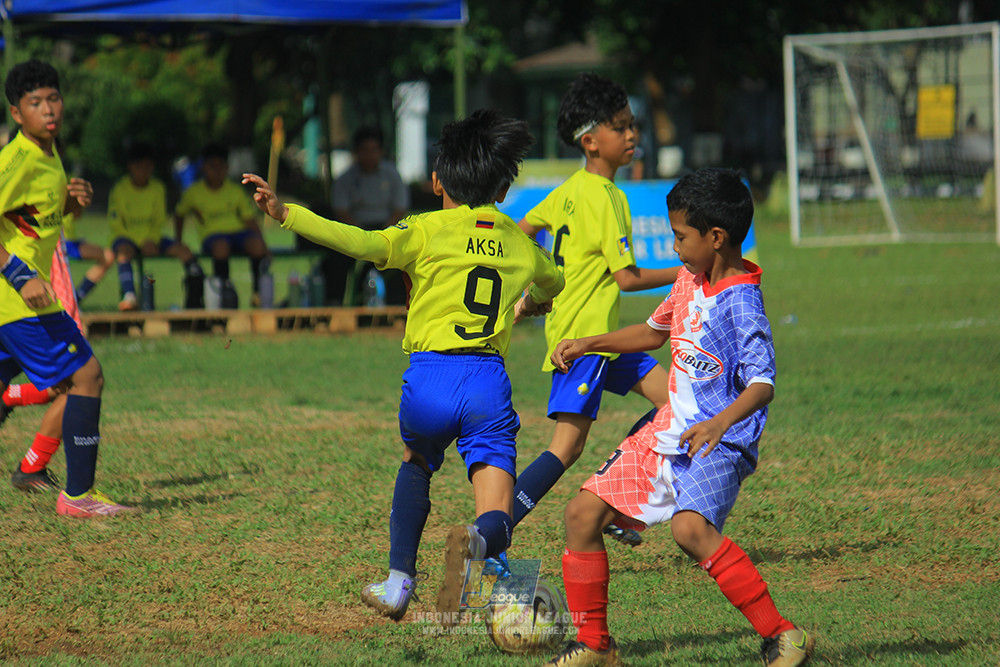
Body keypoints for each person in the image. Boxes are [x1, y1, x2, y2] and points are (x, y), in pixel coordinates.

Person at [242, 109, 564, 625]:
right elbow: (554, 281)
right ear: (501, 190)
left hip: (429, 377)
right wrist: (530, 303)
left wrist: (286, 214)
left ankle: (397, 584)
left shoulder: (421, 230)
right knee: (497, 505)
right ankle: (483, 555)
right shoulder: (520, 242)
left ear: (437, 180)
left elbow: (360, 242)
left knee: (416, 462)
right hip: (486, 381)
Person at [543, 168, 814, 667]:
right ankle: (595, 646)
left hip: (718, 442)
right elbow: (651, 333)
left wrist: (720, 423)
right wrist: (589, 343)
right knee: (581, 515)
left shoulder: (743, 304)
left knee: (690, 531)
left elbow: (763, 383)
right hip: (666, 431)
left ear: (716, 238)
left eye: (680, 236)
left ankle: (783, 635)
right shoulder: (691, 278)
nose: (673, 247)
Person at [514, 72, 679, 545]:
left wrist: (534, 288)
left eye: (632, 126)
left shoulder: (568, 189)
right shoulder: (608, 197)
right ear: (591, 141)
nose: (632, 136)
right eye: (621, 128)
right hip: (583, 342)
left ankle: (621, 501)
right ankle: (496, 526)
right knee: (566, 448)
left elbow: (522, 230)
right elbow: (627, 279)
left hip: (604, 339)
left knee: (674, 405)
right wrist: (690, 267)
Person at [0, 59, 137, 516]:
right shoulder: (17, 158)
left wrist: (69, 205)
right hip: (18, 301)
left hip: (25, 299)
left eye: (53, 98)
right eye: (34, 103)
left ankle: (36, 468)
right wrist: (19, 274)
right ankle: (78, 496)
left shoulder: (49, 154)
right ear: (17, 114)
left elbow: (30, 221)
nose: (48, 109)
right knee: (86, 376)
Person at [110, 142, 204, 310]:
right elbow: (116, 223)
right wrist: (140, 242)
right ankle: (129, 296)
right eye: (140, 166)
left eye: (148, 167)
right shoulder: (120, 189)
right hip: (127, 238)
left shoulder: (158, 188)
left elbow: (159, 220)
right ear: (131, 167)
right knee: (124, 252)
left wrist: (150, 240)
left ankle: (194, 302)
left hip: (152, 238)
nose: (144, 171)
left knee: (185, 251)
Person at [174, 142, 270, 307]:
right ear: (204, 167)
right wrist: (179, 241)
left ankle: (258, 294)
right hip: (212, 236)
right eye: (212, 166)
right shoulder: (193, 193)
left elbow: (249, 220)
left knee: (256, 246)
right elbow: (179, 214)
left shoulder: (235, 190)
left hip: (238, 233)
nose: (216, 171)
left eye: (221, 166)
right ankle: (224, 292)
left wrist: (263, 244)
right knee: (221, 247)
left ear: (226, 168)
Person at [324, 125, 410, 305]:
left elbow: (400, 208)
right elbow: (341, 211)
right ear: (356, 152)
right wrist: (361, 233)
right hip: (355, 228)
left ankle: (396, 306)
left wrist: (385, 232)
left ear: (380, 151)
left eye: (373, 150)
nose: (369, 156)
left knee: (401, 258)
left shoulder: (392, 175)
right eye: (364, 150)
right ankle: (335, 304)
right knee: (336, 258)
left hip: (387, 228)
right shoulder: (346, 178)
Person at [61, 212, 115, 306]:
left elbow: (78, 213)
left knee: (108, 256)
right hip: (53, 243)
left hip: (69, 243)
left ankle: (76, 300)